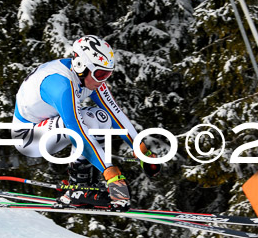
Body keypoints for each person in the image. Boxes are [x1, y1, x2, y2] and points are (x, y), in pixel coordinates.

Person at [12, 35, 161, 211]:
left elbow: (116, 114)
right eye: (100, 74)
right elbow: (77, 131)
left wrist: (141, 150)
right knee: (87, 120)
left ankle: (84, 185)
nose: (103, 80)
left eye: (108, 74)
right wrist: (110, 173)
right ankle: (78, 189)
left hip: (50, 126)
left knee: (102, 117)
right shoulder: (61, 85)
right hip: (29, 138)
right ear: (82, 66)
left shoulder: (89, 77)